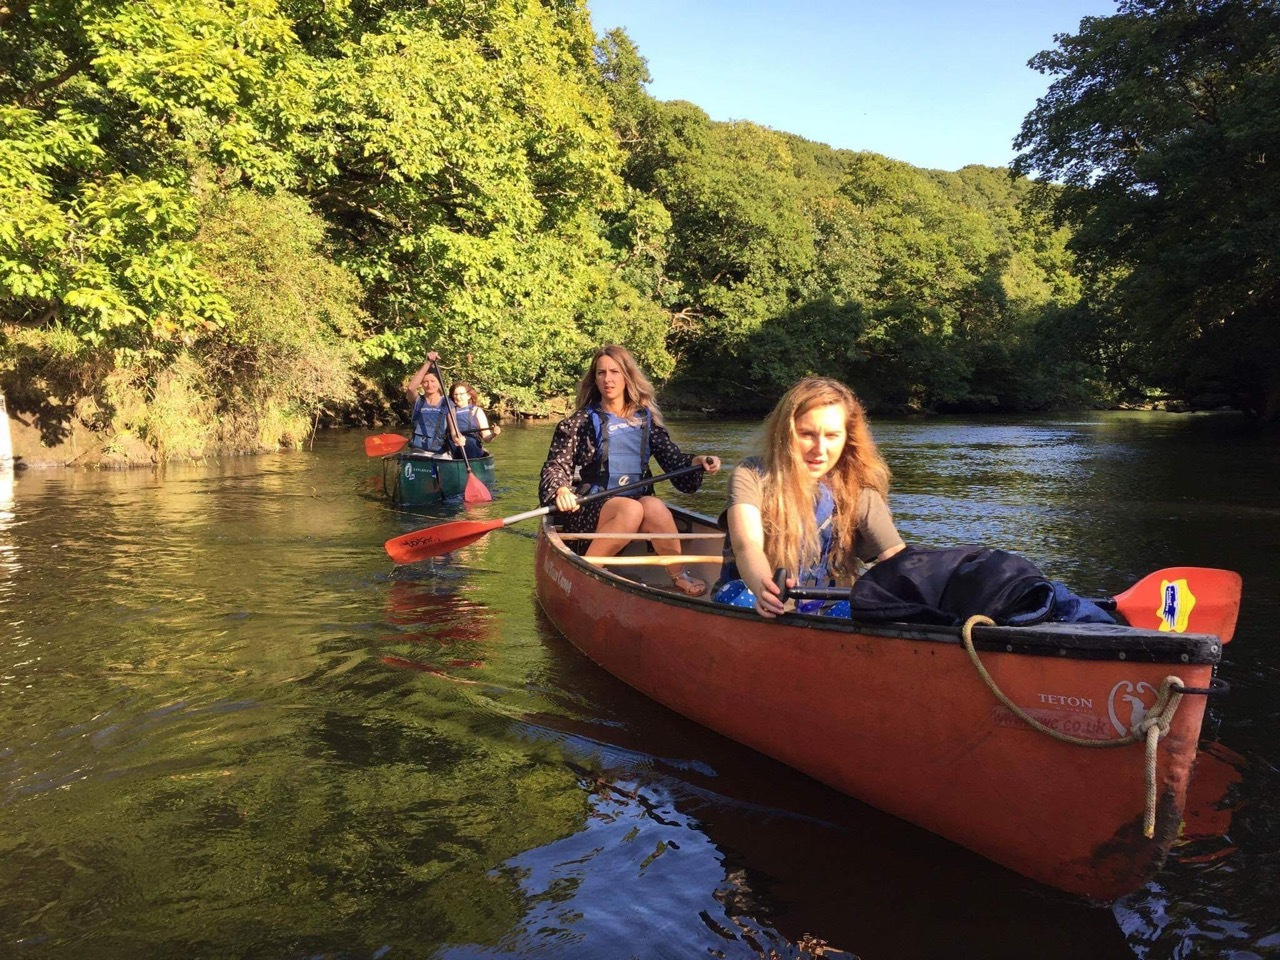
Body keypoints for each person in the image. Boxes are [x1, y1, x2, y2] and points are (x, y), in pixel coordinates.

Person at [539, 344, 722, 597]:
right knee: (631, 508)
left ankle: (679, 575)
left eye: (614, 372)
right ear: (595, 378)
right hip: (590, 506)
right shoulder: (580, 422)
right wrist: (561, 489)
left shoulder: (645, 419)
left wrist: (698, 461)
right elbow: (556, 465)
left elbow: (675, 462)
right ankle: (586, 572)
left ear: (627, 376)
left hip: (635, 502)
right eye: (601, 373)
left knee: (654, 506)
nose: (608, 379)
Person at [716, 377, 905, 618]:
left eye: (832, 436)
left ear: (848, 438)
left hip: (827, 608)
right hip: (757, 599)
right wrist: (765, 588)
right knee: (741, 596)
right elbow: (747, 546)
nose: (820, 449)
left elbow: (896, 557)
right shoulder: (751, 475)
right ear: (785, 433)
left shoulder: (860, 489)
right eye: (807, 434)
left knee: (874, 609)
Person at [403, 351, 461, 455]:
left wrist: (458, 438)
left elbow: (454, 431)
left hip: (439, 452)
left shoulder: (447, 403)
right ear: (421, 384)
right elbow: (411, 388)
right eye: (425, 382)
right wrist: (428, 363)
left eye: (433, 381)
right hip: (417, 451)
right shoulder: (417, 401)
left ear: (439, 383)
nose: (429, 385)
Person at [449, 381, 501, 459]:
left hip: (472, 448)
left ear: (468, 396)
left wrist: (494, 434)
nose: (458, 397)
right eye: (455, 394)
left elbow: (486, 438)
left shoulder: (476, 411)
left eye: (461, 394)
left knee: (469, 443)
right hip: (454, 445)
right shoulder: (449, 411)